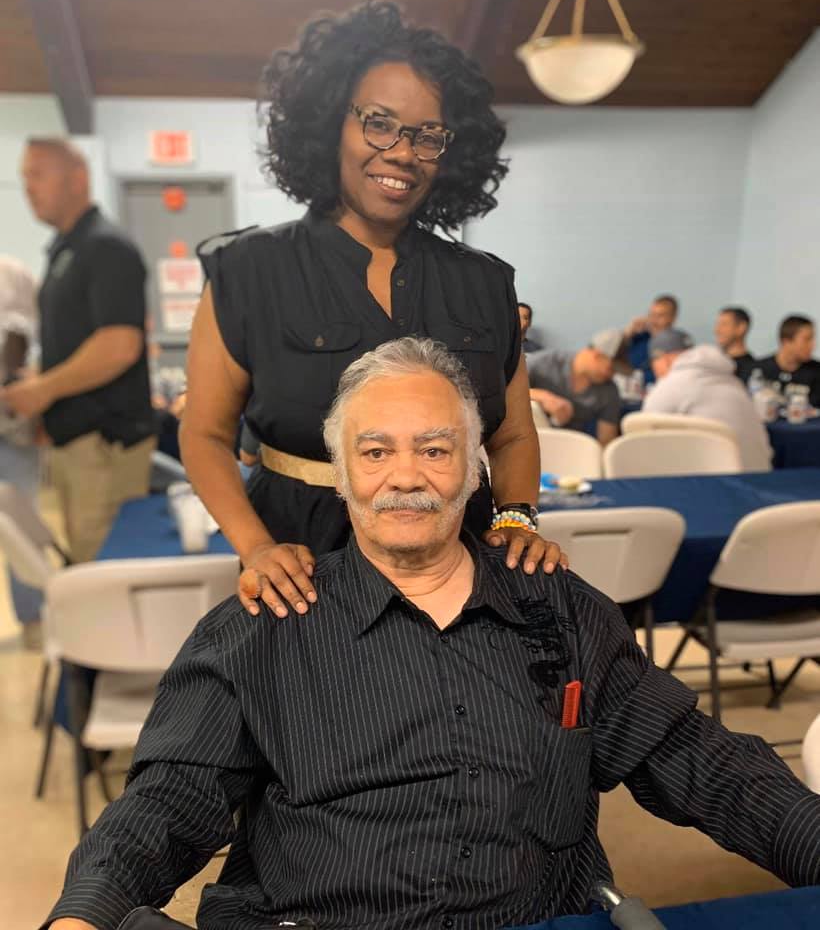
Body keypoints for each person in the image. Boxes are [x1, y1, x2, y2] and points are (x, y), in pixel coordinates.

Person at [45, 338, 820, 930]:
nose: (406, 476)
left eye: (435, 449)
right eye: (375, 451)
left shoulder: (562, 611)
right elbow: (167, 804)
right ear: (342, 474)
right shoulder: (263, 627)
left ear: (476, 469)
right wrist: (84, 915)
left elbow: (703, 763)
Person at [181, 0, 564, 619]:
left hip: (458, 562)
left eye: (428, 136)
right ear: (330, 122)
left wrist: (517, 519)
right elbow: (203, 434)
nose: (403, 152)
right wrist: (256, 548)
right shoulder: (249, 271)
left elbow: (514, 432)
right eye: (379, 123)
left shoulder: (484, 282)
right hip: (300, 573)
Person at [0, 139, 155, 562]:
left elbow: (119, 344)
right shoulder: (66, 250)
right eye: (24, 178)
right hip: (73, 443)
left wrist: (44, 390)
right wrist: (37, 381)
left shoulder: (105, 247)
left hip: (104, 446)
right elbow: (71, 343)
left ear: (78, 178)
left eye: (38, 175)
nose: (28, 188)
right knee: (85, 559)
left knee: (103, 570)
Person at [642, 329, 772, 471]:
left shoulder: (671, 384)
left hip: (713, 480)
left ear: (663, 359)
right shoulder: (733, 382)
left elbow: (644, 439)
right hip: (760, 476)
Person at [0, 254, 42, 643]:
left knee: (23, 522)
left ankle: (33, 620)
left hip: (13, 419)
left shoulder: (13, 273)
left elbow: (28, 337)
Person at [527, 329, 623, 446]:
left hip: (570, 448)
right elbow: (508, 390)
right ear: (597, 355)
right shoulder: (541, 363)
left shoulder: (609, 391)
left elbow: (606, 441)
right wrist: (543, 397)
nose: (612, 376)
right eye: (611, 369)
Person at [754, 314, 820, 408]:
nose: (813, 345)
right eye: (807, 339)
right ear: (786, 341)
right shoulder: (757, 370)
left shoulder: (817, 372)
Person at [623, 294, 680, 385]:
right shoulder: (637, 339)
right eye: (651, 314)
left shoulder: (679, 343)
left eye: (660, 316)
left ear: (673, 317)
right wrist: (627, 334)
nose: (654, 320)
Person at [714, 306, 755, 382]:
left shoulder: (750, 369)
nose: (717, 330)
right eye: (718, 324)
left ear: (741, 327)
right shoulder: (714, 363)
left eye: (724, 324)